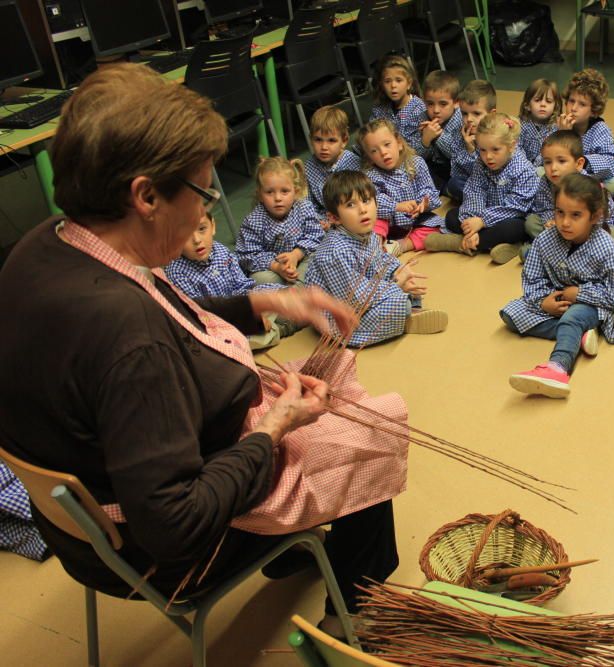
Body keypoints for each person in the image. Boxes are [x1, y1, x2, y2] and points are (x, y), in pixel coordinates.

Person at [0, 63, 399, 638]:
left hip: (79, 533)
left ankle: (294, 549)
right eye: (202, 192)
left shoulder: (49, 244)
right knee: (364, 435)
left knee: (328, 397)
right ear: (146, 197)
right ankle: (352, 612)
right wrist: (274, 429)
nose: (206, 208)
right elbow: (175, 526)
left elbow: (169, 315)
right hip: (164, 558)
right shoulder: (123, 335)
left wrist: (268, 301)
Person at [501, 173, 614, 399]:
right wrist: (543, 302)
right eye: (560, 212)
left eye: (576, 215)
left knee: (573, 317)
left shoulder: (608, 248)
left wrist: (580, 293)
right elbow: (531, 278)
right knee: (511, 315)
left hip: (591, 304)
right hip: (555, 301)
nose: (565, 222)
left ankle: (558, 368)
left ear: (594, 216)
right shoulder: (544, 240)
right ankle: (578, 336)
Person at [305, 171, 447, 346]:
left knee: (407, 285)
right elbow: (355, 301)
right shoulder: (334, 252)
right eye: (351, 205)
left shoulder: (368, 234)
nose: (363, 209)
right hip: (341, 315)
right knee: (396, 299)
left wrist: (398, 270)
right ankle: (406, 316)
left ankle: (409, 311)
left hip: (365, 291)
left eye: (366, 201)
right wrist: (396, 285)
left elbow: (380, 261)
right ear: (334, 218)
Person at [516, 130, 614, 266]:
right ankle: (556, 250)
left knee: (612, 235)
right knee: (531, 222)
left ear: (579, 164)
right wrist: (551, 221)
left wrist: (582, 225)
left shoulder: (589, 184)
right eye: (547, 162)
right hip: (561, 227)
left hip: (588, 229)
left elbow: (602, 215)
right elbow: (543, 208)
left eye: (561, 161)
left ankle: (565, 253)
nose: (553, 168)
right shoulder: (545, 182)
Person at [165, 212, 286, 349]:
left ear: (213, 226)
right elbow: (202, 318)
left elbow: (241, 285)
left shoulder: (220, 250)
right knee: (238, 343)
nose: (197, 240)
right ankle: (280, 329)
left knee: (284, 296)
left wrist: (256, 306)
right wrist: (249, 318)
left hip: (239, 306)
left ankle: (277, 324)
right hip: (218, 325)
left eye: (202, 229)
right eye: (185, 235)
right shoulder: (176, 273)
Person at [432, 112, 540, 256]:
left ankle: (461, 243)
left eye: (495, 150)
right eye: (482, 150)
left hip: (510, 217)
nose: (488, 156)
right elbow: (473, 191)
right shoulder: (480, 163)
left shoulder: (524, 169)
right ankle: (479, 242)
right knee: (452, 216)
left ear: (511, 146)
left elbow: (515, 208)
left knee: (515, 229)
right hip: (483, 214)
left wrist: (483, 221)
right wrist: (472, 221)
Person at [358, 119, 443, 256]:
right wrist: (396, 206)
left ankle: (402, 245)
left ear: (399, 143)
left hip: (416, 221)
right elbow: (372, 202)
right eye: (374, 151)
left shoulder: (416, 163)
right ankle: (377, 249)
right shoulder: (370, 175)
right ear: (369, 158)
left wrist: (423, 204)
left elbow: (428, 189)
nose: (383, 152)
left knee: (436, 225)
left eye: (387, 145)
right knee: (374, 223)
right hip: (389, 223)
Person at [235, 156, 324, 286]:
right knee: (258, 279)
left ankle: (295, 288)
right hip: (273, 269)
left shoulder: (304, 208)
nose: (277, 198)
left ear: (296, 191)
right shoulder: (253, 221)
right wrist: (277, 267)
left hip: (301, 259)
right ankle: (295, 289)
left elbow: (316, 235)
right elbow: (247, 256)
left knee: (319, 258)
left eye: (284, 191)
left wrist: (296, 254)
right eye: (269, 192)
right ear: (260, 194)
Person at [557, 68, 614, 196]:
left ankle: (583, 195)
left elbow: (613, 162)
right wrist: (563, 136)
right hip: (562, 177)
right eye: (571, 101)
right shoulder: (559, 125)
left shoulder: (600, 129)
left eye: (582, 104)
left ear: (594, 110)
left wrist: (583, 162)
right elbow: (544, 159)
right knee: (539, 172)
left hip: (589, 180)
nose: (573, 108)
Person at [445, 79, 497, 202]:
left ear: (492, 114)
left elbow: (492, 171)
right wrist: (470, 150)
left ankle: (485, 202)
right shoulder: (459, 135)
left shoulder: (497, 135)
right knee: (454, 184)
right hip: (473, 184)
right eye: (464, 113)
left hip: (496, 183)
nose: (469, 119)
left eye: (476, 114)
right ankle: (480, 201)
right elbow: (456, 171)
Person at [304, 105, 362, 216]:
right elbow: (308, 203)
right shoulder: (309, 165)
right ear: (311, 139)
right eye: (318, 140)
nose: (324, 147)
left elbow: (363, 200)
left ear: (344, 141)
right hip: (325, 219)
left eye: (331, 140)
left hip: (353, 217)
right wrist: (319, 220)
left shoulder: (354, 164)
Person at [368, 54, 426, 157]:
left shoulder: (419, 109)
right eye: (387, 81)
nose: (393, 86)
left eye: (398, 80)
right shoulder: (378, 111)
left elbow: (421, 149)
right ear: (381, 84)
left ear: (409, 84)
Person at [417, 70, 463, 191]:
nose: (436, 110)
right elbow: (417, 156)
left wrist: (438, 135)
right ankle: (442, 189)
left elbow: (457, 155)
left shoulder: (462, 119)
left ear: (456, 102)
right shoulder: (423, 117)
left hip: (457, 168)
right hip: (435, 167)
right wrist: (425, 140)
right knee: (413, 170)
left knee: (458, 183)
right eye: (430, 104)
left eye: (443, 104)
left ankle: (444, 190)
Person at [517, 78, 561, 166]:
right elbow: (517, 150)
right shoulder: (520, 125)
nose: (543, 105)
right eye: (537, 100)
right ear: (527, 105)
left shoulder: (556, 127)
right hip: (523, 167)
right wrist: (527, 168)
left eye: (548, 101)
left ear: (555, 107)